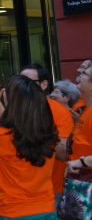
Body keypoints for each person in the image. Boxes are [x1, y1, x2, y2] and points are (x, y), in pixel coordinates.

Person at [0, 75, 58, 219]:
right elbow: (13, 124)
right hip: (45, 209)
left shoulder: (1, 135)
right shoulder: (46, 130)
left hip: (11, 211)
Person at [20, 64, 74, 203]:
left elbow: (63, 153)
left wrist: (38, 131)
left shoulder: (59, 111)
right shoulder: (13, 109)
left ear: (44, 84)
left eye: (28, 82)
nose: (21, 86)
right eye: (19, 81)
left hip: (50, 188)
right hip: (16, 189)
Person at [59, 59, 92, 218]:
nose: (79, 73)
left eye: (84, 73)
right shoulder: (87, 111)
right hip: (81, 181)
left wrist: (81, 162)